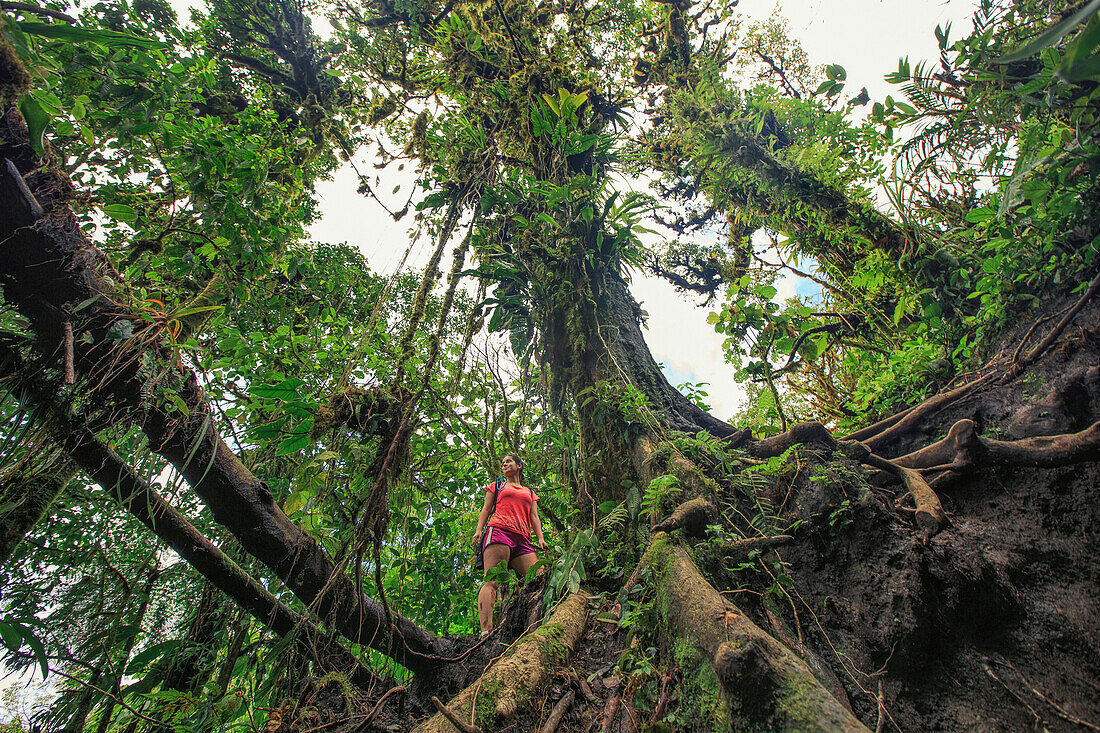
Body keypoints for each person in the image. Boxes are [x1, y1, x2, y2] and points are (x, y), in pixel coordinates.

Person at [472, 453, 546, 636]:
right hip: (499, 532)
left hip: (523, 540)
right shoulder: (497, 486)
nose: (505, 464)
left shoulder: (529, 492)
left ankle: (536, 626)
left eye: (509, 461)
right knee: (492, 581)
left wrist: (541, 538)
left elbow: (534, 517)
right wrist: (479, 530)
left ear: (519, 465)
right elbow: (486, 509)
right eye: (503, 462)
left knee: (540, 578)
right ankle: (486, 632)